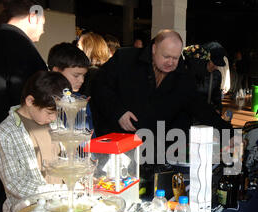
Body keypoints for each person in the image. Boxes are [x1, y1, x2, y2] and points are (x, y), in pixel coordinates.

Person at [90, 29, 232, 146]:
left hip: (152, 150)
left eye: (175, 58)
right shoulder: (125, 59)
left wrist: (229, 134)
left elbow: (200, 107)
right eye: (166, 56)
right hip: (115, 142)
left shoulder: (182, 76)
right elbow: (98, 86)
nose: (170, 62)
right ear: (154, 49)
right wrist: (118, 111)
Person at [0, 0, 48, 212]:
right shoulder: (18, 47)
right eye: (44, 22)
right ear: (32, 16)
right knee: (17, 204)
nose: (44, 30)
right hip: (17, 139)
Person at [0, 71, 72, 212]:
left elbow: (68, 158)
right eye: (50, 113)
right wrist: (65, 190)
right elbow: (16, 184)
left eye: (57, 113)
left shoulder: (55, 124)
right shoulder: (5, 133)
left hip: (61, 208)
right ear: (30, 101)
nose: (54, 118)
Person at [47, 42, 93, 134]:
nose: (81, 80)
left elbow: (90, 135)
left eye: (83, 75)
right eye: (76, 75)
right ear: (56, 71)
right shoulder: (45, 101)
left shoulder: (80, 100)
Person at [182, 42, 227, 114]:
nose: (216, 67)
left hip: (204, 118)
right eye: (213, 63)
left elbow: (216, 96)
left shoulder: (216, 75)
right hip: (186, 118)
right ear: (204, 59)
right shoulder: (187, 72)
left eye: (217, 64)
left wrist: (218, 109)